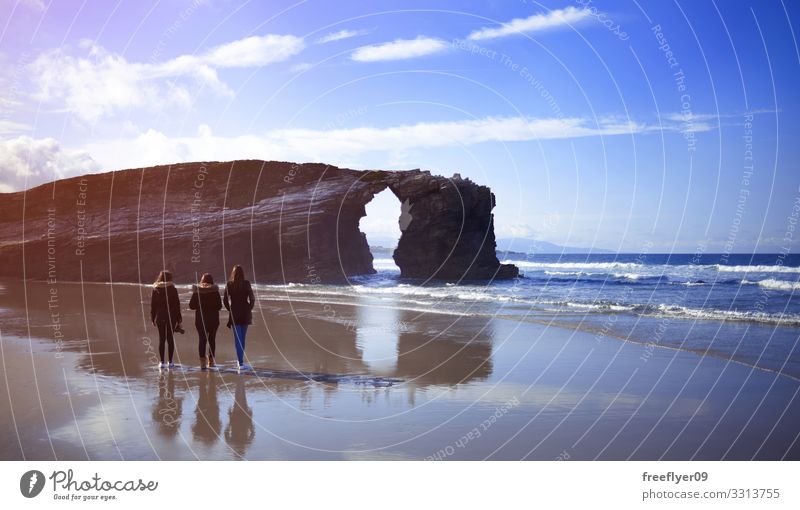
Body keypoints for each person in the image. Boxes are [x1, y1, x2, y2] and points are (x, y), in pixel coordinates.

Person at [223, 265, 255, 370]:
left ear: (233, 273)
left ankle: (240, 362)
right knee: (243, 338)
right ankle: (240, 362)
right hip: (245, 313)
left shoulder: (229, 284)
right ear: (242, 273)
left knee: (238, 339)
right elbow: (252, 298)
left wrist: (230, 309)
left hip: (234, 313)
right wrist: (249, 308)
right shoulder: (246, 284)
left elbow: (224, 300)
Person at [189, 273, 222, 370]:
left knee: (202, 340)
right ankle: (211, 362)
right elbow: (219, 306)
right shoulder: (215, 291)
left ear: (202, 281)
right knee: (212, 340)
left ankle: (202, 364)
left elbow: (191, 306)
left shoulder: (197, 291)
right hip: (213, 320)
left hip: (200, 320)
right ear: (212, 281)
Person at [150, 270, 182, 369]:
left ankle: (162, 362)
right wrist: (179, 318)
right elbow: (177, 304)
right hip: (171, 316)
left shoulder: (156, 288)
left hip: (160, 316)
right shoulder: (173, 289)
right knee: (170, 338)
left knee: (161, 339)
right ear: (170, 278)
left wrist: (152, 318)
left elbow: (153, 306)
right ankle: (171, 362)